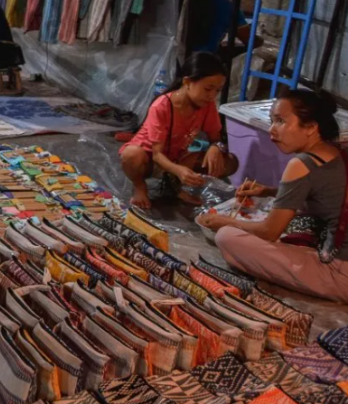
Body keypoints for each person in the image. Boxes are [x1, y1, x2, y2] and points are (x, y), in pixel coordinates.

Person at [198, 89, 347, 302]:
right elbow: (325, 195)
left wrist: (224, 222)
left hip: (339, 274)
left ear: (311, 127)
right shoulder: (335, 151)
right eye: (272, 121)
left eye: (280, 121)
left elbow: (269, 231)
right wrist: (268, 191)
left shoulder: (301, 164)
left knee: (227, 237)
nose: (272, 129)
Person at [120, 52, 239, 210]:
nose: (212, 96)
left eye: (217, 91)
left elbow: (215, 138)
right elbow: (157, 155)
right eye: (208, 88)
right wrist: (179, 170)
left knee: (229, 161)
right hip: (151, 160)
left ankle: (176, 187)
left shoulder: (207, 105)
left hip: (179, 156)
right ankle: (140, 187)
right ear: (187, 82)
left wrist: (215, 147)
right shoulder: (162, 106)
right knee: (131, 155)